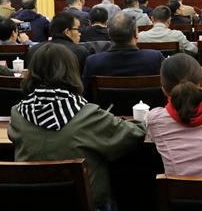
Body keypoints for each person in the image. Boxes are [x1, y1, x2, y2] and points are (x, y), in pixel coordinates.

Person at [8, 42, 146, 210]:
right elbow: (134, 134)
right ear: (72, 72)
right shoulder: (88, 115)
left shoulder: (17, 114)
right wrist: (135, 121)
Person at [82, 12, 165, 94]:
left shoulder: (93, 62)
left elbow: (86, 94)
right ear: (136, 34)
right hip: (148, 103)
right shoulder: (155, 58)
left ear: (109, 33)